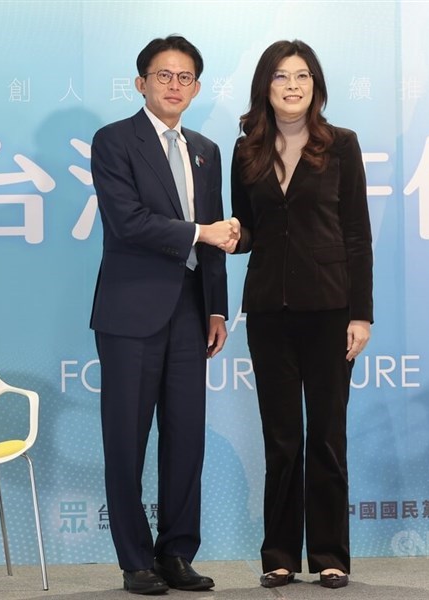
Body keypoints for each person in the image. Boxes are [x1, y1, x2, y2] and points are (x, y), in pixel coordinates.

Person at [90, 35, 239, 595]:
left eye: (184, 78)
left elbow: (219, 234)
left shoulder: (205, 148)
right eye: (163, 76)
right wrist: (201, 233)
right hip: (130, 313)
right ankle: (135, 561)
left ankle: (177, 552)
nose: (174, 86)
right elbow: (127, 222)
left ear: (196, 88)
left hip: (190, 310)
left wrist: (218, 307)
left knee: (186, 438)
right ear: (141, 83)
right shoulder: (115, 141)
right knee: (126, 440)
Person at [229, 40, 373, 590]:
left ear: (316, 85)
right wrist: (221, 233)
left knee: (328, 437)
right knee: (282, 437)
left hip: (331, 310)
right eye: (281, 77)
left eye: (303, 76)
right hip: (268, 310)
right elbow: (248, 230)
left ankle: (332, 553)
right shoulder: (247, 151)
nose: (292, 86)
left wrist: (360, 314)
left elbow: (357, 234)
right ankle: (279, 554)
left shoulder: (341, 145)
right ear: (265, 86)